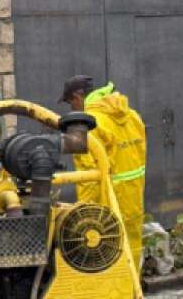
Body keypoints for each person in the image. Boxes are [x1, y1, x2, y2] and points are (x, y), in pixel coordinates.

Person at [60, 75, 147, 271]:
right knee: (132, 245)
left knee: (106, 255)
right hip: (133, 198)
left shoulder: (86, 125)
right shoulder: (132, 115)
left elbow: (87, 177)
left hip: (106, 204)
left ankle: (116, 289)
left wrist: (84, 216)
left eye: (70, 102)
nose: (71, 108)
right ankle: (133, 286)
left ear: (77, 97)